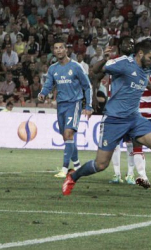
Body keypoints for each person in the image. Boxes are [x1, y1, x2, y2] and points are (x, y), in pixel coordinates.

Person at [62, 39, 151, 200]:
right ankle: (73, 176)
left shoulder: (147, 68)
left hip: (134, 118)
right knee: (101, 165)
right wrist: (104, 59)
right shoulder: (124, 63)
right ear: (140, 54)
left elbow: (146, 83)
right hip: (114, 120)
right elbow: (94, 71)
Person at [38, 38, 93, 178]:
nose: (58, 50)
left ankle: (64, 169)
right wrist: (42, 94)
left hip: (74, 104)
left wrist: (88, 106)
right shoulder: (53, 68)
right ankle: (78, 165)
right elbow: (48, 84)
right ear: (54, 51)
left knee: (68, 134)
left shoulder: (76, 67)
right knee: (67, 138)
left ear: (66, 50)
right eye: (56, 48)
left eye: (61, 47)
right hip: (61, 105)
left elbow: (87, 86)